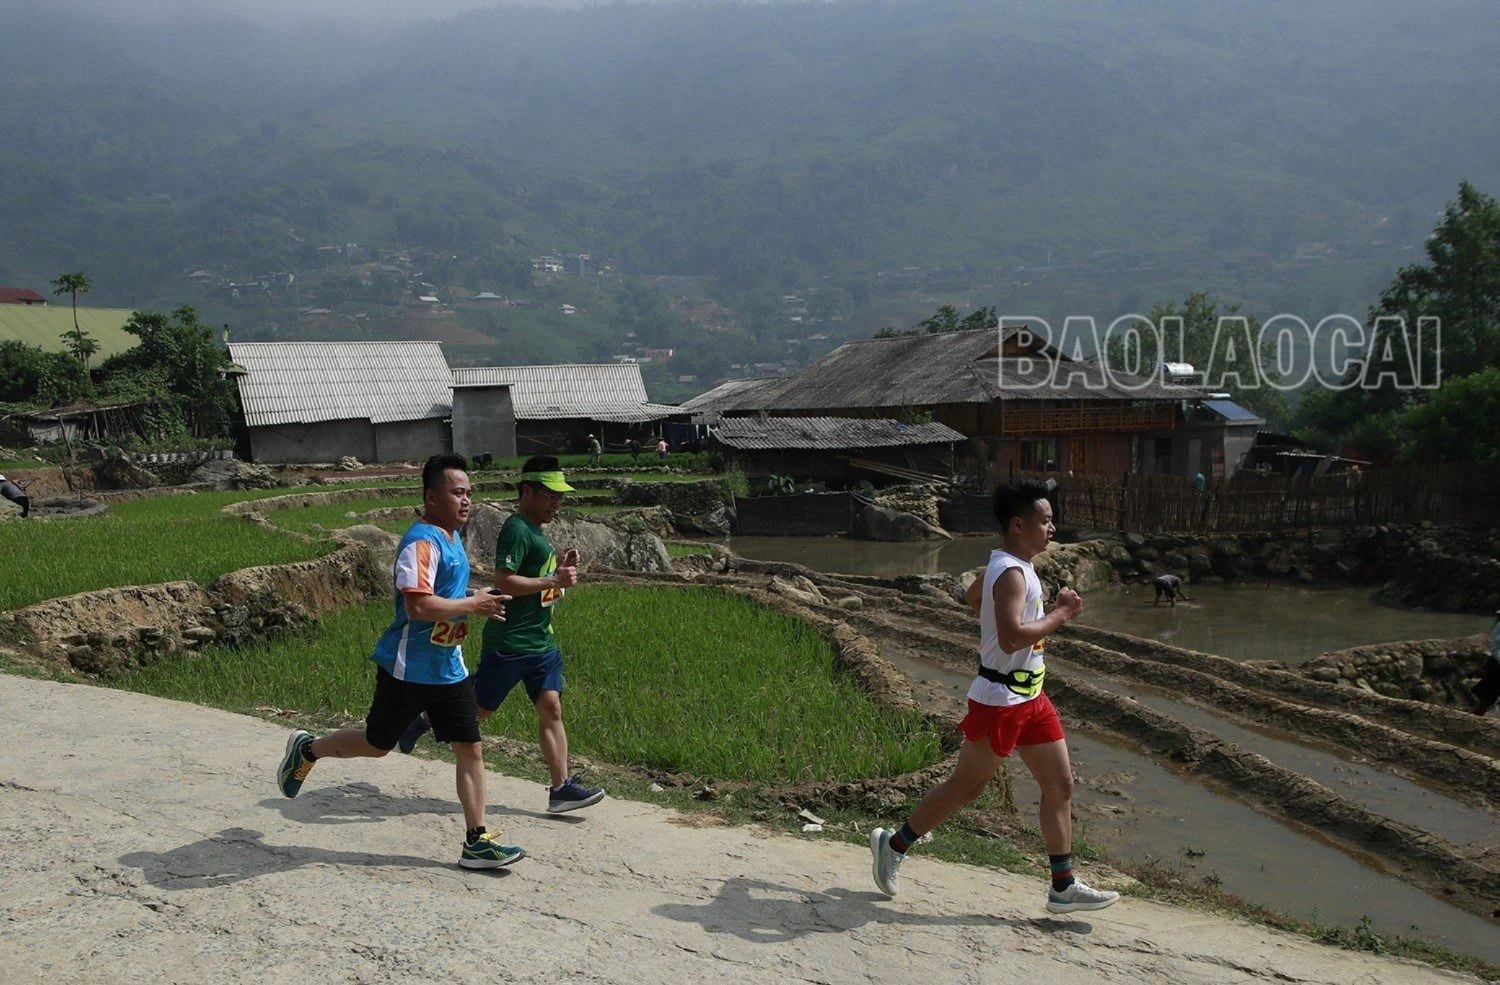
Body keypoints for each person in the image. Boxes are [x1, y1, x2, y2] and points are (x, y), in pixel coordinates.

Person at [870, 478, 1118, 914]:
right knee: (966, 787)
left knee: (1060, 785)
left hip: (1031, 696)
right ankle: (893, 845)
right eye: (1045, 521)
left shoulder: (1003, 567)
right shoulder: (1011, 573)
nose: (1052, 529)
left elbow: (973, 596)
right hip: (1000, 701)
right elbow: (1009, 639)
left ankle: (1063, 885)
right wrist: (1061, 614)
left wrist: (1004, 620)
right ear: (1019, 525)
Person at [275, 454, 524, 869]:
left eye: (469, 492)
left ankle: (476, 841)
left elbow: (446, 593)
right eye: (457, 492)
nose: (466, 500)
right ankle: (308, 750)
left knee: (471, 748)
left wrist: (478, 600)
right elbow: (418, 607)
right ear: (431, 496)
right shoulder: (420, 543)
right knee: (377, 744)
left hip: (448, 667)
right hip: (408, 668)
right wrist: (471, 603)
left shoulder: (452, 538)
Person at [400, 455, 605, 814]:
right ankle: (421, 719)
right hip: (510, 644)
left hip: (541, 641)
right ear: (528, 492)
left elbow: (538, 586)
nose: (557, 502)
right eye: (550, 495)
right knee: (478, 709)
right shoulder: (516, 528)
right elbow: (504, 582)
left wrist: (560, 571)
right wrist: (553, 579)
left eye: (560, 496)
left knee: (551, 706)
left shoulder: (536, 532)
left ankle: (561, 788)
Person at [1472, 609, 1500, 716]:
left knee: (1487, 699)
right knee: (1487, 699)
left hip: (1495, 663)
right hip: (1497, 666)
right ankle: (1474, 720)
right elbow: (1496, 647)